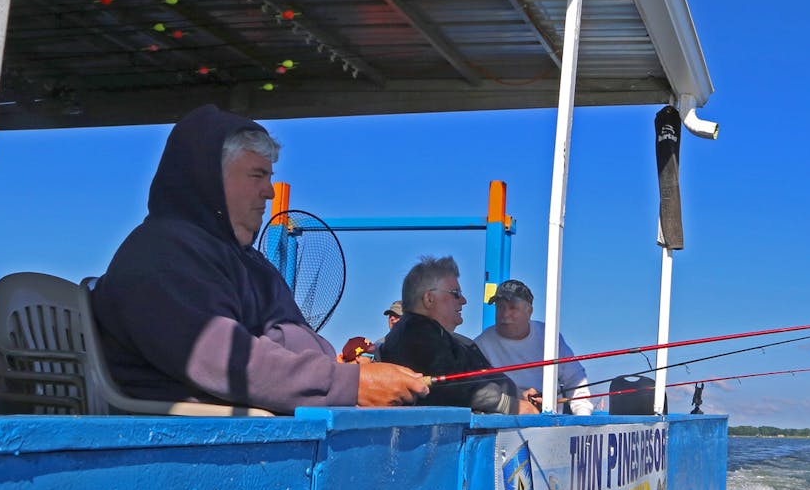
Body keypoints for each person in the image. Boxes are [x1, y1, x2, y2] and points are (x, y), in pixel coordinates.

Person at [92, 104, 427, 413]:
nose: (269, 190)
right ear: (210, 177)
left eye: (269, 176)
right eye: (257, 175)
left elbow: (283, 341)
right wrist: (351, 385)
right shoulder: (161, 254)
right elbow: (226, 360)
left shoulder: (249, 262)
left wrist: (346, 370)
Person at [376, 256, 536, 414]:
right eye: (456, 293)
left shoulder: (442, 337)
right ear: (429, 299)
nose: (464, 300)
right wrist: (510, 405)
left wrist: (520, 396)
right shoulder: (415, 337)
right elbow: (454, 387)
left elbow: (475, 378)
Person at [473, 279, 595, 416]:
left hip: (553, 425)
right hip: (502, 426)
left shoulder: (549, 335)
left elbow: (575, 379)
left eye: (513, 307)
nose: (505, 314)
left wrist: (583, 417)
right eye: (500, 307)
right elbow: (477, 392)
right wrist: (519, 400)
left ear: (529, 311)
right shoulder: (481, 345)